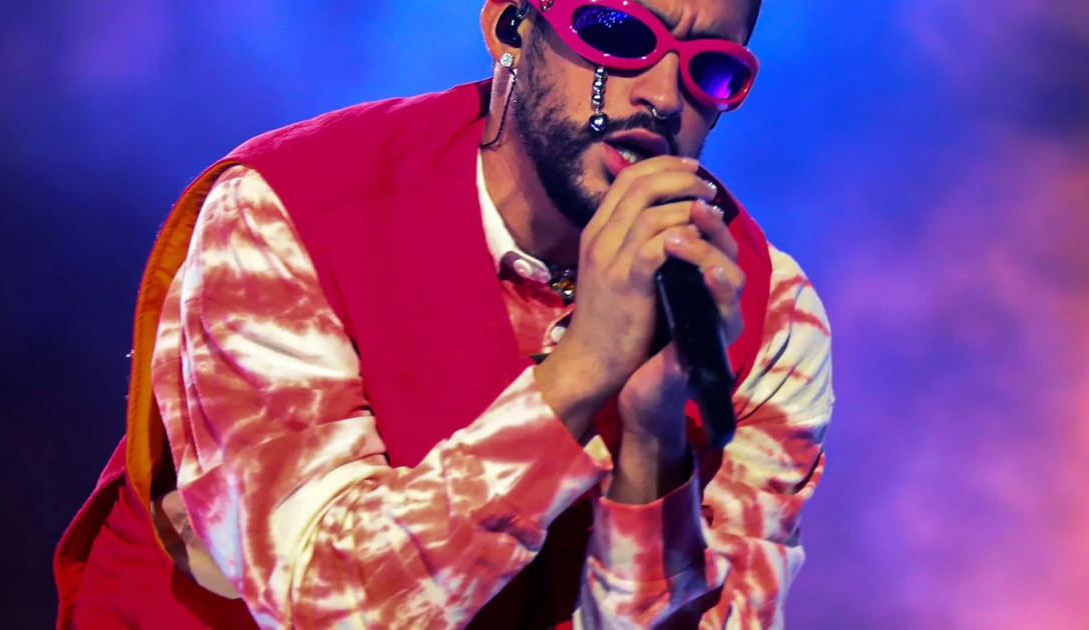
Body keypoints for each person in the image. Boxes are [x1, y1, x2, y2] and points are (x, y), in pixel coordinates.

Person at [54, 0, 834, 628]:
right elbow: (327, 608)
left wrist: (657, 443)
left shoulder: (766, 312)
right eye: (619, 33)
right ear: (510, 26)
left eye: (713, 70)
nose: (664, 97)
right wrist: (583, 368)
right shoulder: (289, 210)